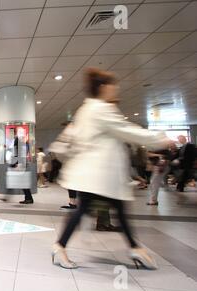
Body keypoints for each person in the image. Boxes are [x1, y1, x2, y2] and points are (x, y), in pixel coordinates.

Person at [51, 67, 170, 270]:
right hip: (98, 175)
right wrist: (159, 139)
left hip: (95, 174)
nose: (116, 90)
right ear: (104, 87)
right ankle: (60, 247)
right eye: (114, 86)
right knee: (96, 211)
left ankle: (132, 247)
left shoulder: (85, 110)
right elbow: (126, 130)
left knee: (109, 210)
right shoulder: (100, 109)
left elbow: (69, 140)